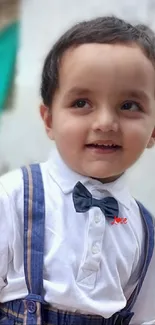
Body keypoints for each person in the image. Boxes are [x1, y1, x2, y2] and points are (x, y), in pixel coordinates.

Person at [0, 15, 155, 325]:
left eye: (129, 106)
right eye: (82, 102)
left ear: (153, 130)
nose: (105, 123)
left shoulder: (144, 229)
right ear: (49, 120)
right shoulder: (13, 196)